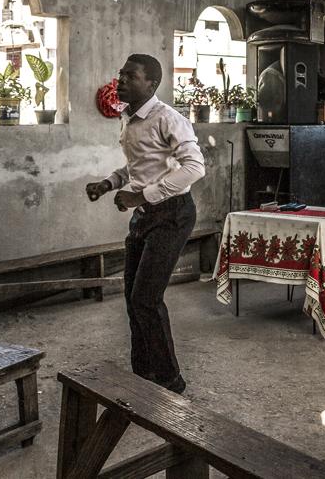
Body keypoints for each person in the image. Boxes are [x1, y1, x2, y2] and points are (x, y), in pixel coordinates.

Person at [85, 54, 205, 394]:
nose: (120, 80)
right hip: (145, 215)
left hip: (173, 214)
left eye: (129, 76)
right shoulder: (129, 117)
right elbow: (137, 167)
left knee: (146, 299)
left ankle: (170, 382)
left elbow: (194, 168)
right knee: (132, 296)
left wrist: (142, 196)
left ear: (150, 83)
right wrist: (108, 183)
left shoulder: (169, 118)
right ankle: (143, 375)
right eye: (120, 74)